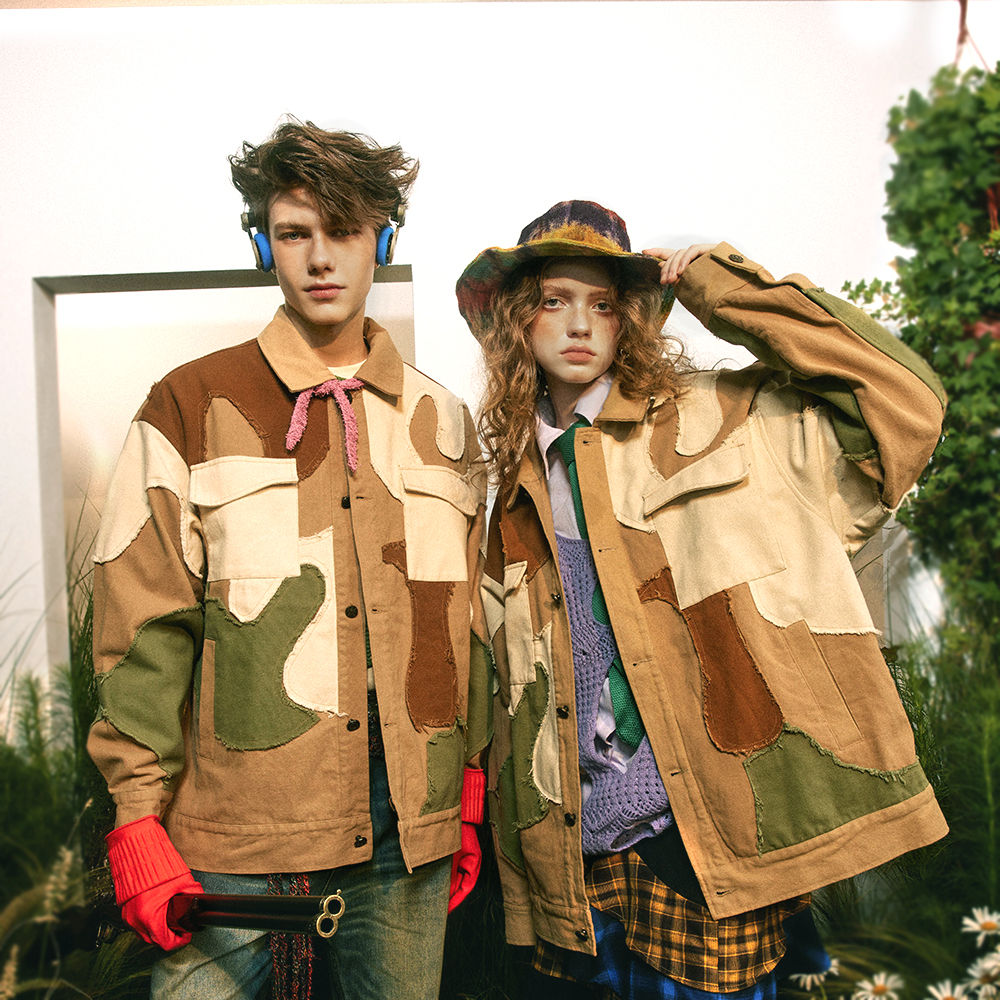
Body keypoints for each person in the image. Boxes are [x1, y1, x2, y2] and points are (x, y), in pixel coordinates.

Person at [456, 200, 949, 999]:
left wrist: (728, 288)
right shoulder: (512, 489)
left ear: (631, 321)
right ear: (518, 320)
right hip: (574, 865)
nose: (580, 323)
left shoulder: (729, 418)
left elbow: (907, 407)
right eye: (554, 300)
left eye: (604, 304)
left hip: (704, 844)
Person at [87, 120, 490, 1000]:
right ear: (263, 243)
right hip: (230, 833)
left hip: (405, 836)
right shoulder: (188, 404)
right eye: (294, 232)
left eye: (344, 231)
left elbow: (466, 628)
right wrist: (136, 819)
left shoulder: (446, 422)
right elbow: (142, 624)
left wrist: (465, 789)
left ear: (383, 239)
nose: (320, 258)